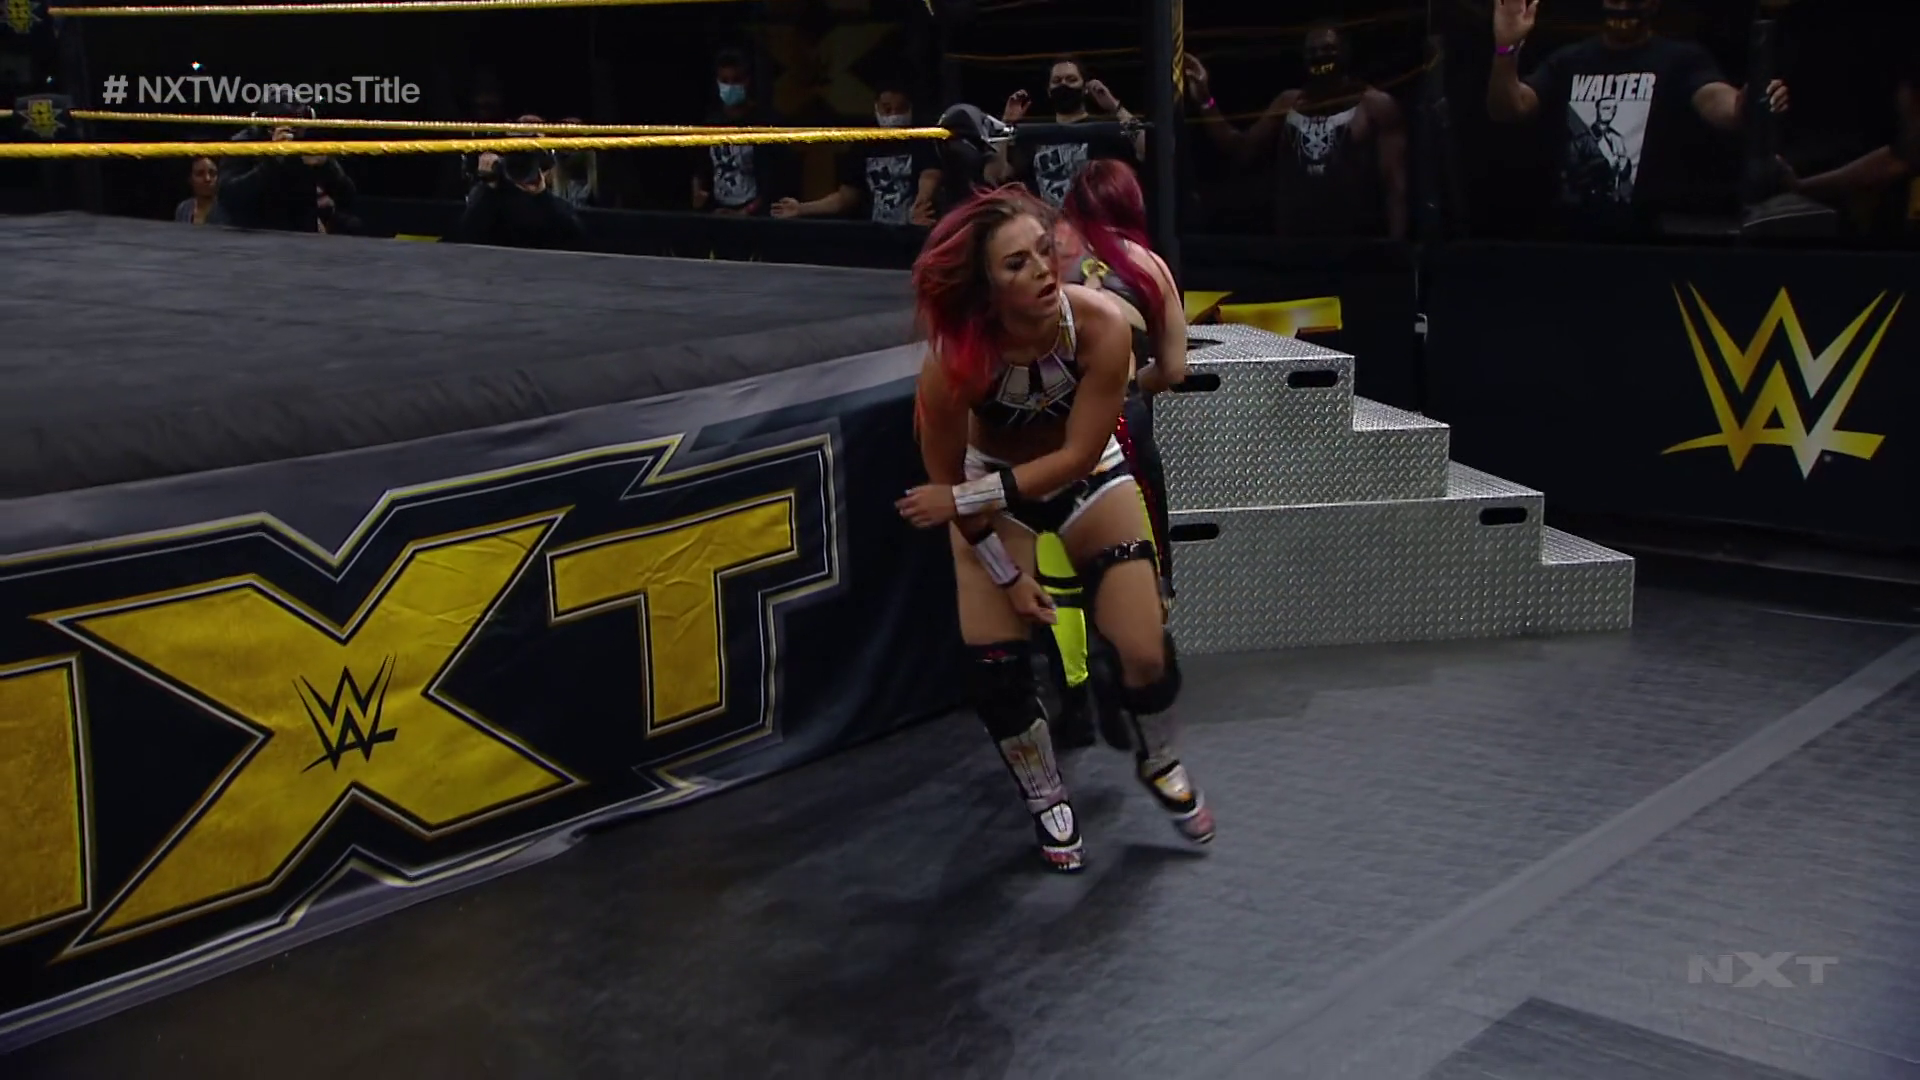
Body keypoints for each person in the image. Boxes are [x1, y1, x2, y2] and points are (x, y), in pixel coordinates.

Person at [896, 186, 1214, 872]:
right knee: (997, 669)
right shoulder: (953, 364)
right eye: (1017, 264)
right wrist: (1008, 577)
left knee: (1144, 647)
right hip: (989, 494)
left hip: (1084, 476)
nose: (1043, 270)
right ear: (986, 286)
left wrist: (961, 499)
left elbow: (1074, 457)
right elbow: (951, 484)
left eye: (1044, 251)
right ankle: (1046, 797)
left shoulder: (1100, 325)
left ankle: (1160, 756)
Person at [1035, 159, 1189, 747]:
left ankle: (1071, 692)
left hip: (1054, 419)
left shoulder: (1050, 257)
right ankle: (1134, 680)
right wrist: (1125, 389)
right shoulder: (1147, 265)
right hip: (1123, 420)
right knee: (1141, 555)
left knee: (1056, 559)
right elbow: (1174, 369)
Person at [1486, 0, 1788, 238]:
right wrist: (1505, 50)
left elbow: (1723, 106)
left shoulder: (1681, 59)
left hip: (1649, 236)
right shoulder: (1569, 60)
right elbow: (1507, 109)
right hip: (1571, 232)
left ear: (1654, 4)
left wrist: (1750, 100)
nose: (1623, 7)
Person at [1183, 24, 1410, 239]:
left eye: (1328, 49)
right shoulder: (1288, 103)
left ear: (1345, 53)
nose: (1320, 56)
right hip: (1294, 247)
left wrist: (1395, 250)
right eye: (1313, 51)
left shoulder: (1374, 106)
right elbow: (1241, 149)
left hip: (1355, 245)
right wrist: (1205, 100)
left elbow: (1394, 183)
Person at [772, 84, 941, 225]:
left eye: (900, 109)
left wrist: (921, 204)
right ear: (876, 108)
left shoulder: (922, 140)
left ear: (910, 109)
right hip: (875, 236)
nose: (894, 116)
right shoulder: (865, 144)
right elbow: (845, 198)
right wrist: (802, 208)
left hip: (914, 234)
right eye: (887, 109)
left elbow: (930, 176)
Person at [987, 57, 1142, 207]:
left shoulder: (1103, 130)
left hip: (1091, 219)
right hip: (1047, 221)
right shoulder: (1035, 133)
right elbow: (995, 175)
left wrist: (1115, 107)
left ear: (1084, 88)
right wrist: (1005, 124)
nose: (1063, 85)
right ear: (1049, 91)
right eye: (1057, 81)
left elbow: (1147, 147)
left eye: (1071, 80)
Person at [174, 156, 229, 226]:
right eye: (200, 174)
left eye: (212, 173)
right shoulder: (183, 209)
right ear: (190, 179)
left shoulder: (226, 210)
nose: (207, 179)